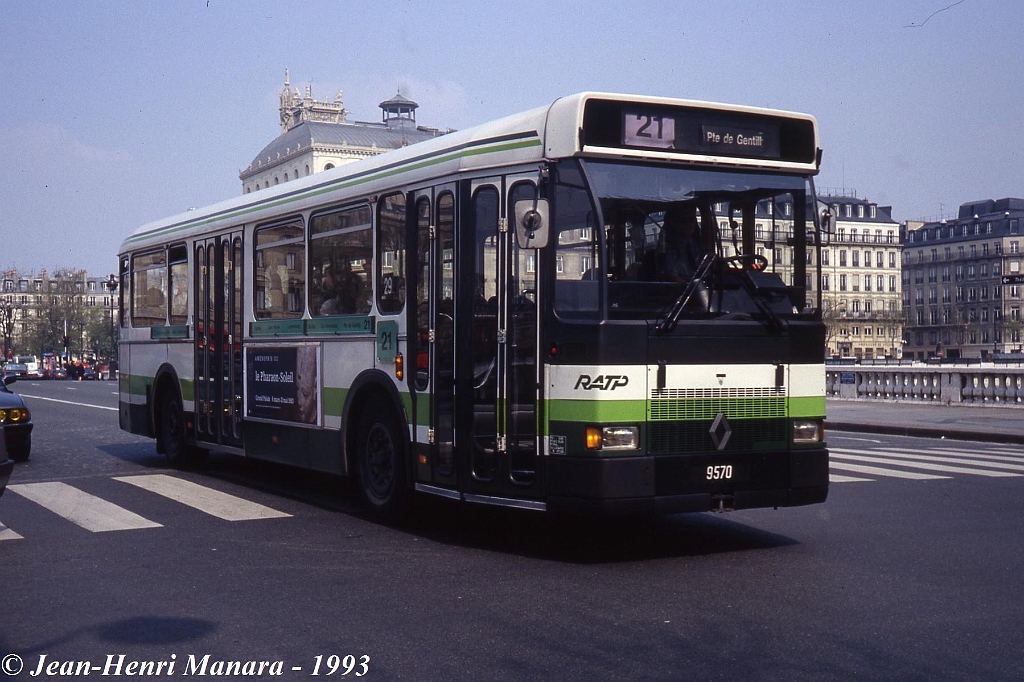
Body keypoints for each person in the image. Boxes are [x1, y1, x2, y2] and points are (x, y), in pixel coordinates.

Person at [662, 205, 708, 282]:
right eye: (682, 221)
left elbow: (707, 265)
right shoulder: (668, 249)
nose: (688, 224)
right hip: (684, 287)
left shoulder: (698, 245)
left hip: (703, 284)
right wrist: (686, 285)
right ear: (673, 223)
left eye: (691, 220)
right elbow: (671, 276)